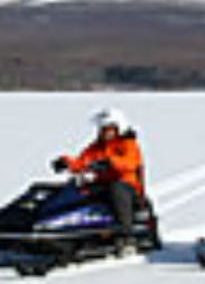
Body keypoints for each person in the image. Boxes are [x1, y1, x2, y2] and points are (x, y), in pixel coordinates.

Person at [52, 108, 146, 251]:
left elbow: (130, 163)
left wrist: (111, 162)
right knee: (77, 190)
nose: (105, 132)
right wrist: (66, 162)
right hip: (104, 184)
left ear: (118, 128)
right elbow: (82, 162)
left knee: (117, 188)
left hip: (128, 186)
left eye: (108, 129)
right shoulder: (97, 147)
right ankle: (71, 227)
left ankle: (126, 234)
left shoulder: (128, 144)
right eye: (102, 129)